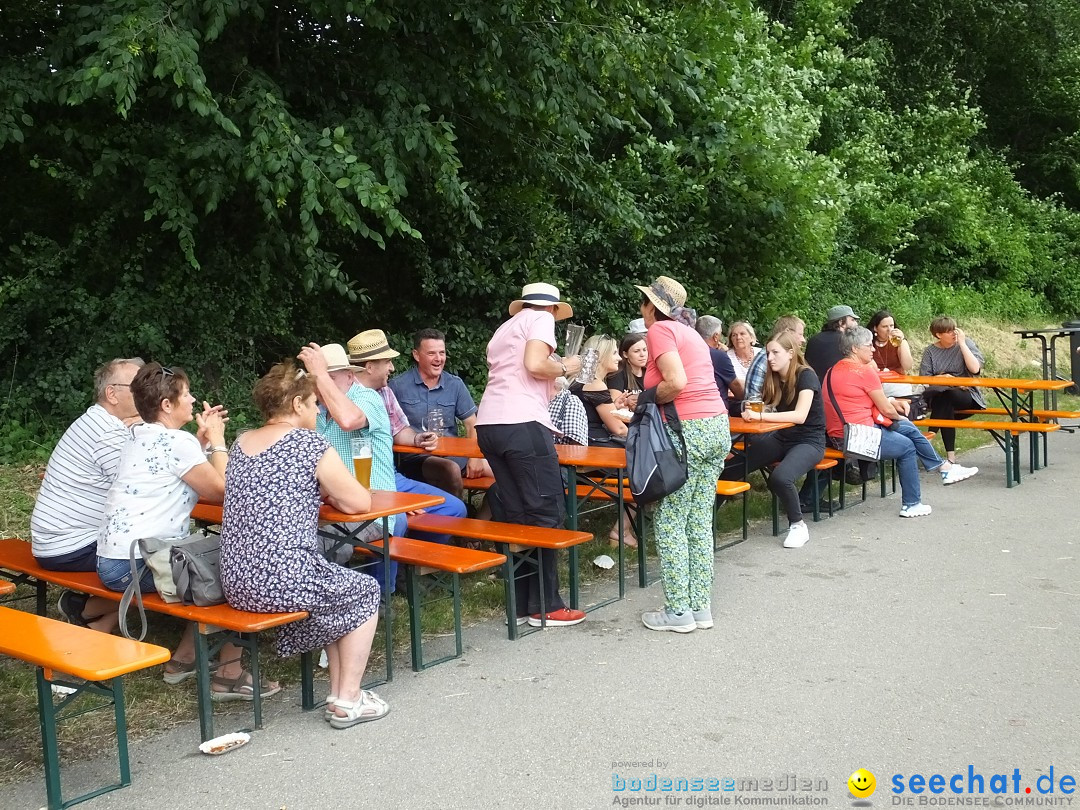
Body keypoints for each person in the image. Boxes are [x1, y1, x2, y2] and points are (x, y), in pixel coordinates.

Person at [220, 362, 387, 729]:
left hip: (235, 580)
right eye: (314, 403)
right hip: (282, 577)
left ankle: (340, 695)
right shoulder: (308, 444)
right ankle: (349, 698)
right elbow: (358, 503)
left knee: (336, 590)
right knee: (365, 590)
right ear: (296, 405)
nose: (318, 410)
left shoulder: (242, 442)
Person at [98, 362, 277, 698]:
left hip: (115, 560)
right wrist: (218, 440)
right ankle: (229, 673)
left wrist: (201, 444)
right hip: (136, 565)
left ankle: (185, 659)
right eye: (186, 394)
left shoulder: (137, 434)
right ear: (167, 405)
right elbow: (225, 490)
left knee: (214, 565)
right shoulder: (176, 444)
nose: (193, 400)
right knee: (242, 571)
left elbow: (177, 465)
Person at [300, 338, 466, 589]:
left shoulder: (367, 398)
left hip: (374, 501)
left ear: (349, 376)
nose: (321, 386)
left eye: (328, 379)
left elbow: (348, 420)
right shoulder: (315, 408)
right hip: (337, 501)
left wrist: (320, 374)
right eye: (317, 381)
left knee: (439, 510)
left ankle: (388, 586)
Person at [475, 282, 586, 628]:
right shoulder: (540, 321)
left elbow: (523, 374)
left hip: (490, 422)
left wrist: (554, 377)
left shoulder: (505, 328)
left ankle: (524, 605)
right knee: (546, 509)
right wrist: (567, 365)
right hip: (521, 423)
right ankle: (548, 606)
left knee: (518, 513)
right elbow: (536, 364)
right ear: (551, 308)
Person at [635, 276, 730, 633]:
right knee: (698, 519)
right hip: (716, 427)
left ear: (652, 306)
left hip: (687, 430)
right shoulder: (691, 333)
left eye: (643, 303)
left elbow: (675, 383)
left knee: (671, 519)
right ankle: (700, 608)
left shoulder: (660, 331)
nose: (642, 309)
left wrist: (642, 398)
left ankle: (677, 612)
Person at [31, 357, 144, 633]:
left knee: (158, 550)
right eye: (138, 386)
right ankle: (82, 606)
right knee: (163, 565)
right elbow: (144, 484)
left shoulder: (98, 421)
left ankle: (99, 622)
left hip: (58, 539)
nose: (147, 391)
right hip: (68, 546)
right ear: (112, 394)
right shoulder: (106, 432)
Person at [822, 328, 979, 518]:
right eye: (868, 345)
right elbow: (886, 410)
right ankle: (912, 503)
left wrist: (892, 407)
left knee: (906, 427)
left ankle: (945, 468)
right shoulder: (865, 372)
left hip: (840, 433)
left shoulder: (832, 370)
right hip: (858, 437)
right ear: (855, 349)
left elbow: (859, 401)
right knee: (907, 447)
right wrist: (897, 414)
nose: (873, 349)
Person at [738, 333, 826, 548]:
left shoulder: (806, 376)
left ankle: (798, 526)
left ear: (790, 353)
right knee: (732, 468)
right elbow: (771, 405)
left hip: (810, 441)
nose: (769, 357)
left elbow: (799, 416)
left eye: (775, 352)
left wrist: (760, 416)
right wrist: (758, 409)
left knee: (780, 477)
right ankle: (708, 523)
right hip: (782, 436)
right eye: (768, 353)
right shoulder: (775, 377)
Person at [388, 328, 491, 498]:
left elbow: (472, 424)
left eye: (442, 353)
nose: (438, 359)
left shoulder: (455, 384)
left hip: (454, 455)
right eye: (431, 353)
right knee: (449, 469)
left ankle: (483, 519)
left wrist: (475, 457)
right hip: (415, 459)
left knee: (505, 472)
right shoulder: (398, 386)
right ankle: (456, 519)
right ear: (416, 355)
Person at [570, 335, 637, 547]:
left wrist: (613, 405)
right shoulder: (595, 383)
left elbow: (596, 414)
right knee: (650, 468)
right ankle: (622, 530)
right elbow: (617, 427)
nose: (619, 357)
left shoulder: (579, 381)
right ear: (602, 356)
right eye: (615, 352)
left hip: (579, 447)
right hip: (595, 450)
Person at [919, 316, 986, 463]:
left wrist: (962, 344)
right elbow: (924, 379)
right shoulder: (930, 351)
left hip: (967, 395)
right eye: (949, 332)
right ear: (938, 335)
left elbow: (975, 369)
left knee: (946, 396)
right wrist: (945, 379)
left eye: (954, 330)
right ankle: (951, 457)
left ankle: (928, 440)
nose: (953, 334)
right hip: (939, 396)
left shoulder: (966, 344)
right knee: (944, 400)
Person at [744, 316, 806, 401]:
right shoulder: (765, 360)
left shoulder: (804, 372)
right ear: (787, 332)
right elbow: (752, 400)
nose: (803, 340)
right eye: (800, 334)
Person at [695, 315, 743, 410]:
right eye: (720, 334)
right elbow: (737, 388)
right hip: (716, 411)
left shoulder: (686, 352)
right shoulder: (718, 356)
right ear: (716, 336)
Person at [867, 309, 915, 399]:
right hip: (876, 385)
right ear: (875, 328)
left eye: (891, 326)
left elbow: (907, 366)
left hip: (898, 383)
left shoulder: (898, 342)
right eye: (884, 326)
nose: (889, 330)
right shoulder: (868, 344)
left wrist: (902, 342)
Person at [804, 305, 859, 380]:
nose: (856, 323)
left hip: (814, 386)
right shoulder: (846, 341)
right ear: (841, 322)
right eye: (852, 320)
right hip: (837, 387)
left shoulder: (814, 339)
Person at [605, 332, 648, 403]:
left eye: (644, 350)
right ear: (625, 354)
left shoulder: (649, 373)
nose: (642, 354)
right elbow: (615, 404)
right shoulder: (618, 374)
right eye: (636, 351)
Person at [725, 321, 763, 387]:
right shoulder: (726, 357)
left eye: (742, 334)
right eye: (734, 335)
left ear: (751, 337)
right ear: (731, 340)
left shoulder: (761, 354)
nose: (738, 337)